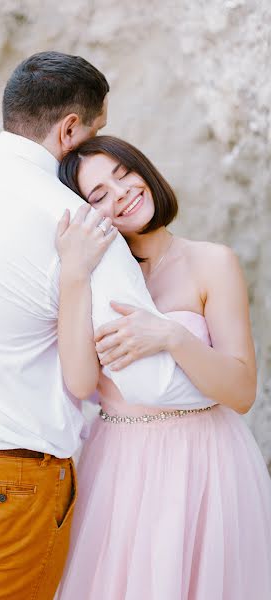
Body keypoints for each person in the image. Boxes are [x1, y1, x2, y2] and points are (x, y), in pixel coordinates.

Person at [0, 51, 194, 600]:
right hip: (7, 479)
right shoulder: (79, 225)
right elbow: (146, 378)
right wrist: (222, 386)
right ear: (68, 128)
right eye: (95, 131)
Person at [55, 136, 271, 600]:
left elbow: (242, 390)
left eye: (123, 174)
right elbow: (79, 380)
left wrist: (170, 335)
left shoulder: (211, 261)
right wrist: (73, 275)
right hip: (120, 461)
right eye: (98, 196)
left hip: (206, 458)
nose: (121, 194)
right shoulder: (94, 276)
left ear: (143, 168)